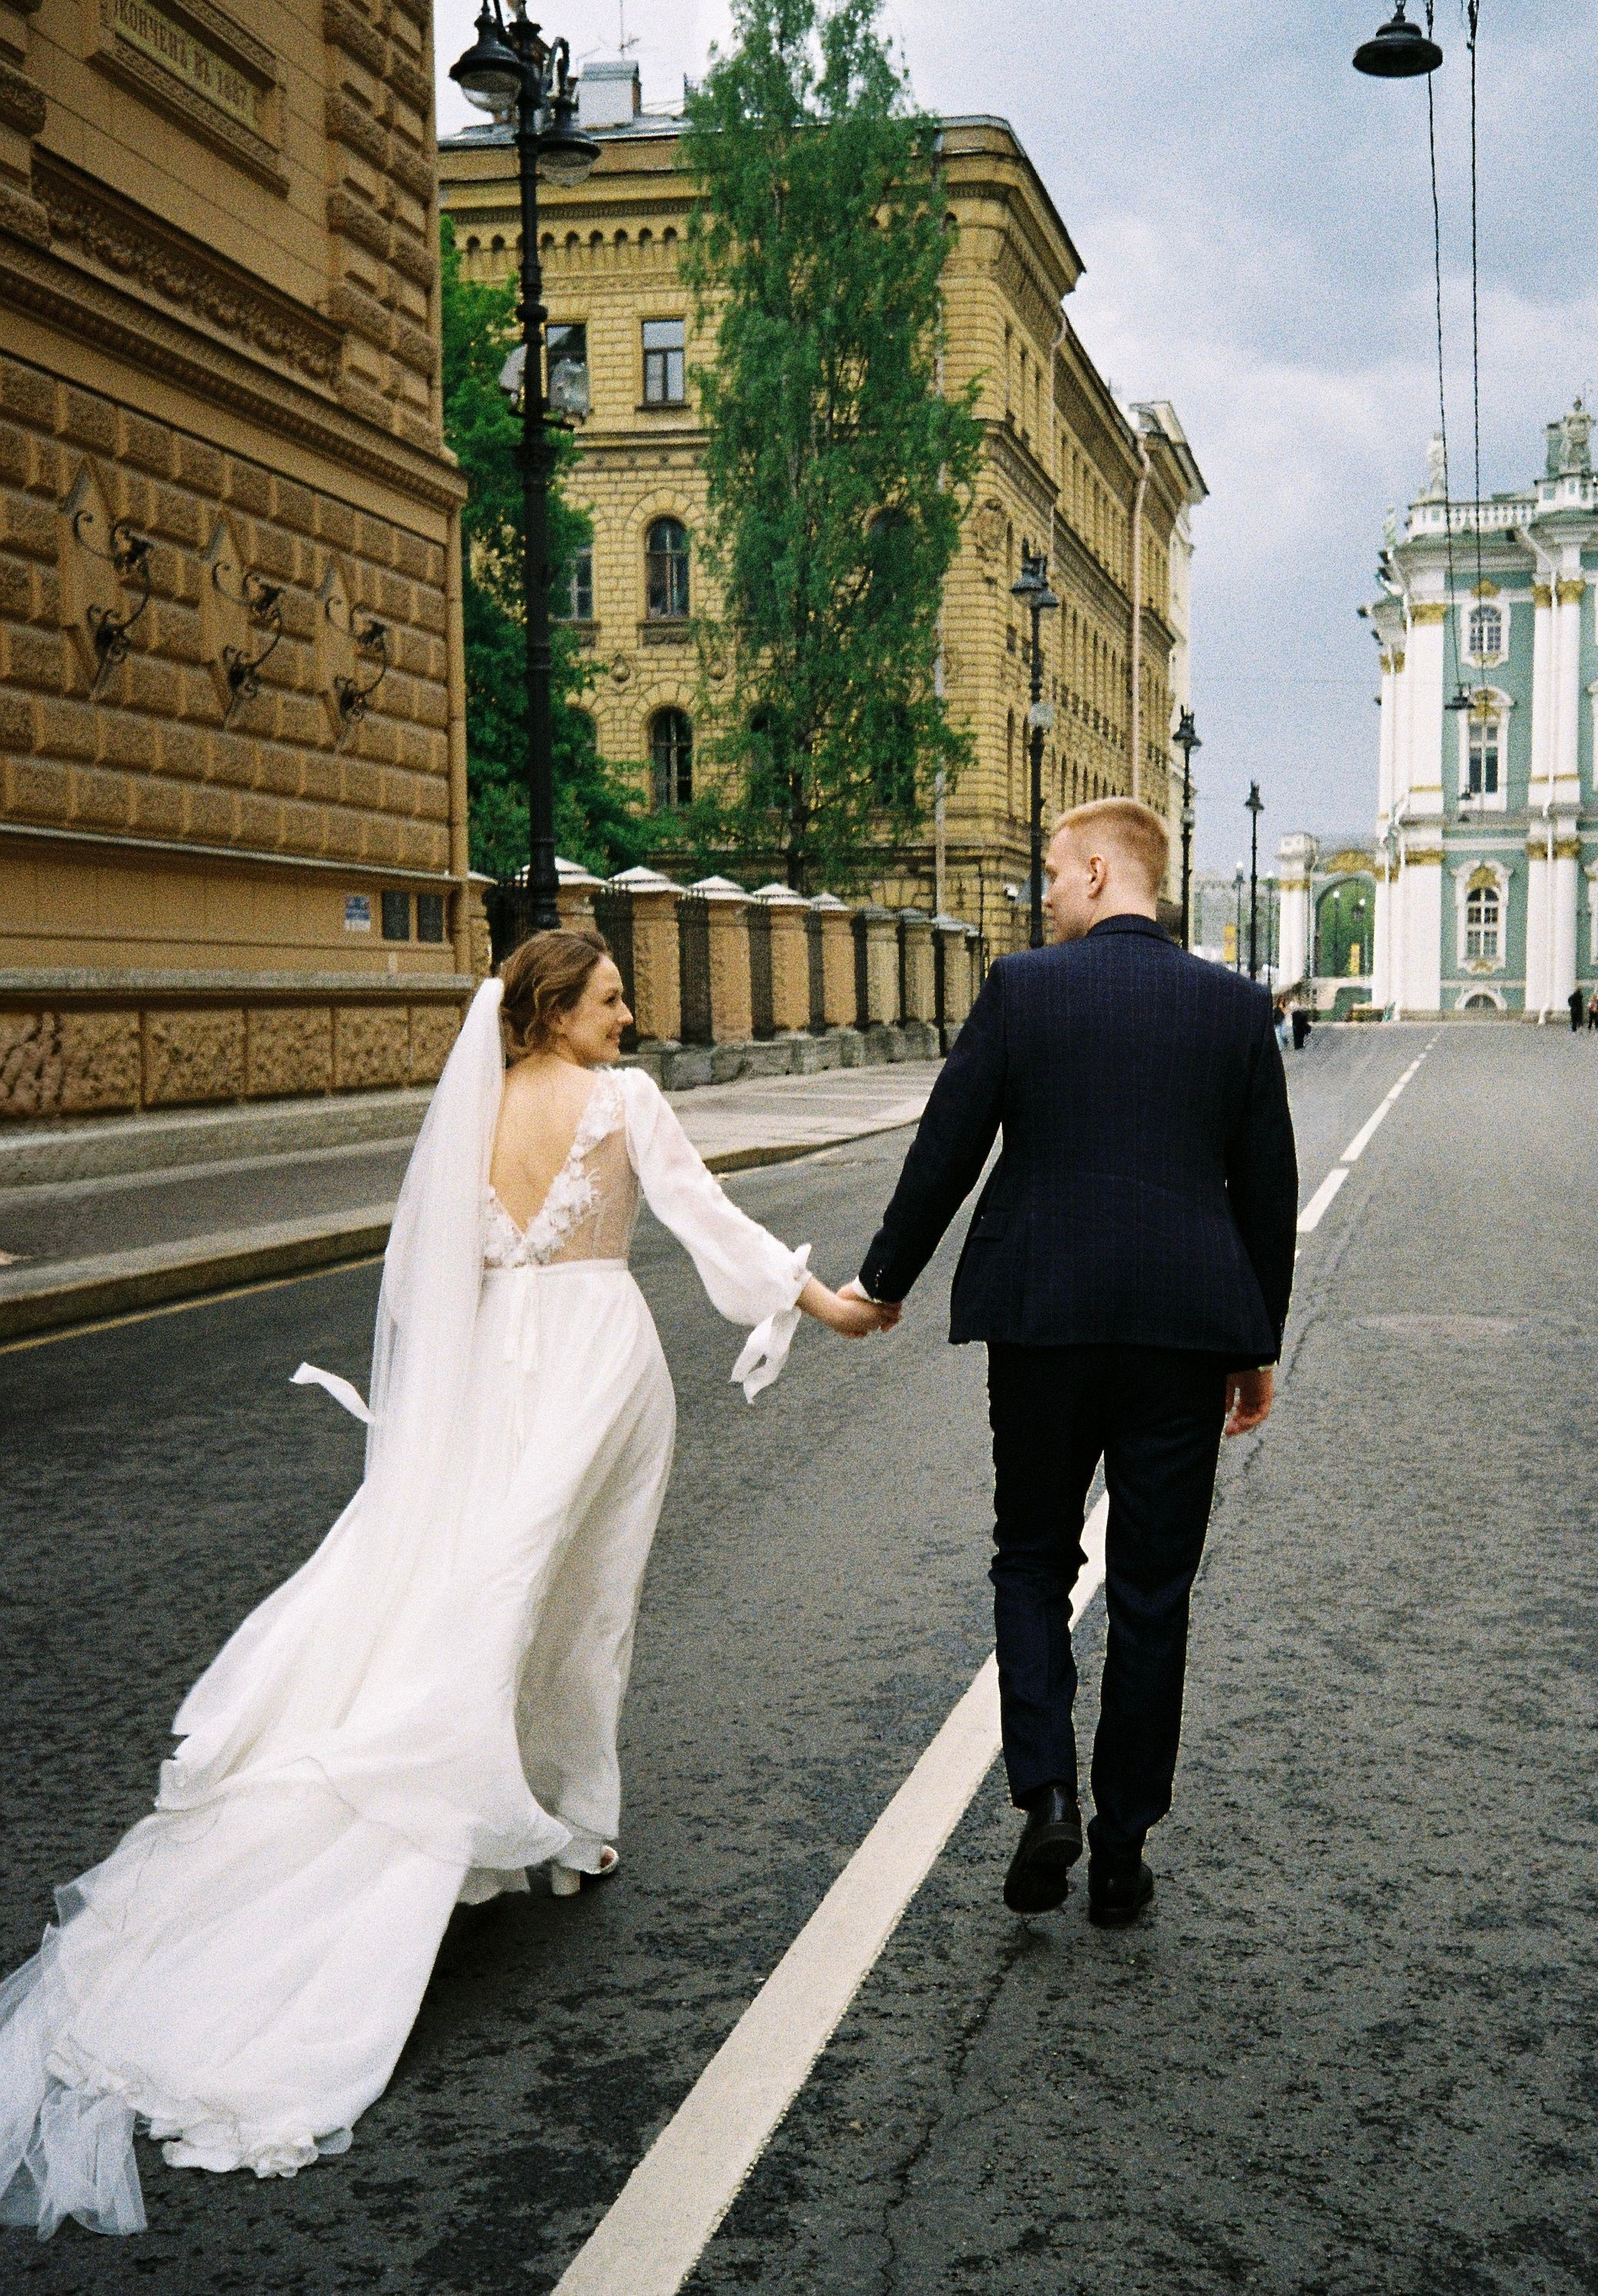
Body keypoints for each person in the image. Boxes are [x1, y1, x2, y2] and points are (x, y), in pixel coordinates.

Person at [0, 932, 883, 2239]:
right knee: (581, 1604)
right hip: (596, 1363)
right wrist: (822, 1304)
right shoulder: (624, 1103)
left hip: (489, 1374)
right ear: (552, 1012)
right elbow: (709, 1220)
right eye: (608, 1000)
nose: (630, 1019)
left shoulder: (468, 1109)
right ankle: (569, 1820)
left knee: (476, 1580)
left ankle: (512, 1799)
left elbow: (431, 1285)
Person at [850, 799, 1297, 1930]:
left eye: (1051, 873)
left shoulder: (1022, 990)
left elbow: (946, 1145)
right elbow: (1266, 1196)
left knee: (1030, 1557)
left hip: (1042, 1320)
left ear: (1098, 871)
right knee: (1152, 1592)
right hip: (1184, 1334)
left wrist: (882, 1283)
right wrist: (1256, 1347)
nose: (1041, 894)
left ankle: (1044, 1791)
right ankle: (1121, 1846)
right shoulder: (1236, 1009)